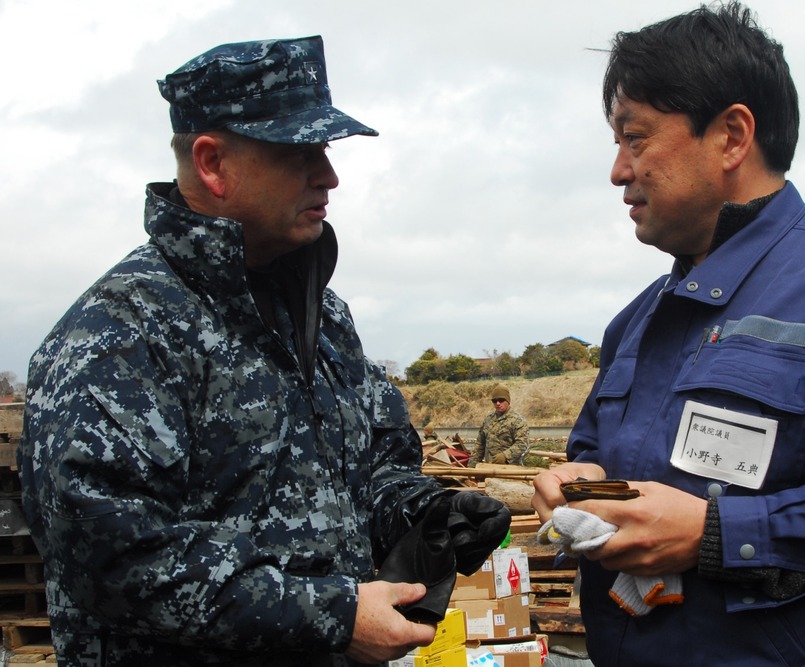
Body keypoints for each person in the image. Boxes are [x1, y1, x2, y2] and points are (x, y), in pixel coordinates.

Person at [18, 37, 508, 667]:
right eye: (298, 152)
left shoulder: (325, 320)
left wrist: (429, 514)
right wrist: (329, 616)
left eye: (325, 151)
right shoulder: (121, 331)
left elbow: (371, 470)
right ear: (213, 163)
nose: (329, 176)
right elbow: (112, 552)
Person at [531, 3, 805, 665]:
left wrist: (717, 532)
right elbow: (603, 458)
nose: (617, 171)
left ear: (731, 136)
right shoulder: (634, 321)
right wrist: (584, 481)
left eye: (635, 138)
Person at [469, 384, 530, 467]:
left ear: (508, 401)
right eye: (495, 401)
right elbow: (480, 444)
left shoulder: (517, 420)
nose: (498, 403)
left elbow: (522, 444)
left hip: (510, 469)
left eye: (501, 400)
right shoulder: (488, 419)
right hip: (489, 467)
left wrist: (505, 456)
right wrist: (472, 465)